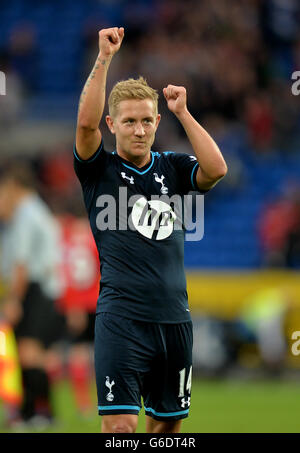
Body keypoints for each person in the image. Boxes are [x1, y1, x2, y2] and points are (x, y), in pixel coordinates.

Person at [74, 27, 227, 433]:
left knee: (167, 430)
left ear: (157, 121)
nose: (139, 130)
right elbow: (85, 129)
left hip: (175, 321)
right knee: (120, 429)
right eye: (129, 122)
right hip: (121, 320)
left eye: (146, 121)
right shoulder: (98, 170)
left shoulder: (172, 166)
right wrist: (104, 58)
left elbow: (216, 170)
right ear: (112, 124)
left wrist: (183, 112)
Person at [0, 162, 61, 429]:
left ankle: (34, 414)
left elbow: (21, 264)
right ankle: (39, 413)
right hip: (45, 290)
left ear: (13, 186)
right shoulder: (37, 211)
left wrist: (14, 299)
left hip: (36, 290)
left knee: (28, 354)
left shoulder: (27, 214)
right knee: (34, 355)